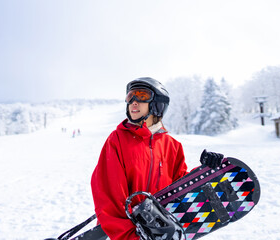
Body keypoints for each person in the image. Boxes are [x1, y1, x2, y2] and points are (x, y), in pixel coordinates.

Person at [91, 77, 223, 240]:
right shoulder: (117, 140)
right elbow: (109, 196)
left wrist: (206, 170)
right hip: (130, 235)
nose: (133, 101)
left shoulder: (172, 146)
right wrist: (132, 237)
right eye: (130, 96)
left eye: (141, 96)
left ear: (157, 104)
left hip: (160, 233)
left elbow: (180, 188)